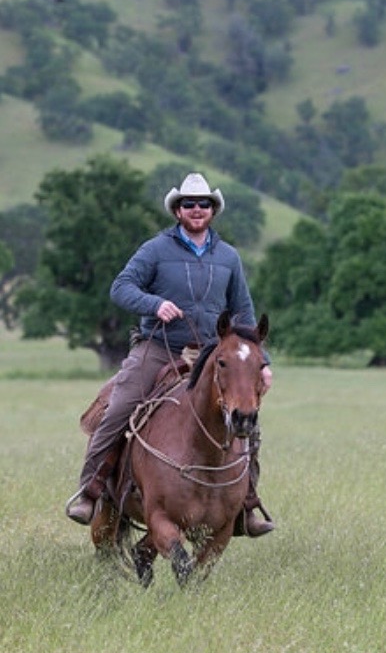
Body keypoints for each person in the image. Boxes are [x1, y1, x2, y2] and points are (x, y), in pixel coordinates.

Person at [65, 173, 275, 537]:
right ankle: (91, 490)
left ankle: (245, 506)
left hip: (213, 355)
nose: (197, 209)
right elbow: (121, 287)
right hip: (158, 348)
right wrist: (154, 303)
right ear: (178, 210)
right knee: (119, 407)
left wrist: (263, 363)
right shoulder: (155, 250)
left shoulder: (229, 257)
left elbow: (243, 314)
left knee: (246, 422)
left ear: (213, 210)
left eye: (204, 204)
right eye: (190, 204)